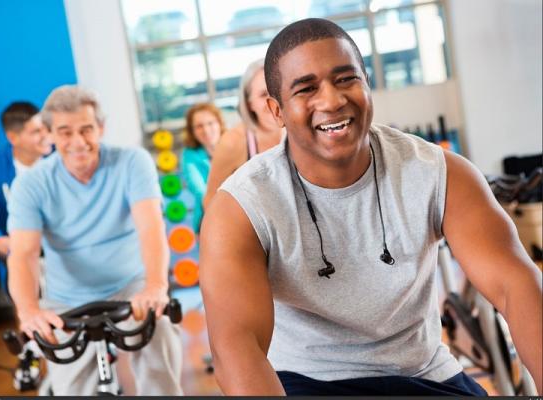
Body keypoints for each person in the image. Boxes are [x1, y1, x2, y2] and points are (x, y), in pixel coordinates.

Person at [200, 18, 542, 396]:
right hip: (304, 383)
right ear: (276, 110)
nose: (331, 100)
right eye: (306, 88)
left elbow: (516, 285)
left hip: (424, 373)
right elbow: (237, 347)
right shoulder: (241, 206)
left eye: (346, 79)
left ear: (367, 84)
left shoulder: (438, 173)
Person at [6, 85, 183, 395]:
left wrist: (155, 286)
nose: (78, 142)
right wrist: (29, 311)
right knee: (71, 391)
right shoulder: (31, 184)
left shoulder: (132, 162)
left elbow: (150, 227)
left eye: (87, 129)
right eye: (65, 132)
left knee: (162, 342)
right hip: (67, 299)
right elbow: (23, 254)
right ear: (49, 135)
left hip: (132, 287)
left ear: (101, 128)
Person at [0, 102, 51, 288]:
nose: (46, 136)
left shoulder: (59, 158)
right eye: (36, 132)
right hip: (25, 251)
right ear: (13, 137)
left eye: (46, 129)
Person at [203, 58, 284, 209]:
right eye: (263, 94)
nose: (273, 101)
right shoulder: (232, 143)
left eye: (276, 90)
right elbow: (211, 203)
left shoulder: (301, 132)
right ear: (249, 103)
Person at [182, 103, 226, 233]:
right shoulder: (189, 154)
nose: (206, 130)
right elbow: (200, 190)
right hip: (206, 217)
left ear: (219, 123)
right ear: (192, 131)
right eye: (199, 126)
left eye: (210, 123)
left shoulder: (234, 146)